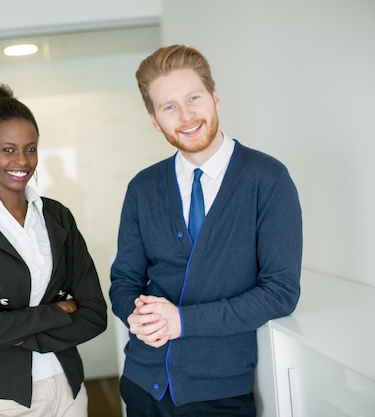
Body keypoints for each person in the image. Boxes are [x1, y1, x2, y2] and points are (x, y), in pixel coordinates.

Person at [109, 45, 302, 416]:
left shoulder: (267, 179)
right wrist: (134, 315)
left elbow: (280, 292)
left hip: (219, 391)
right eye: (169, 107)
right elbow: (123, 281)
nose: (186, 116)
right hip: (141, 384)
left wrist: (183, 321)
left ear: (214, 97)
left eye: (193, 98)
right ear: (154, 119)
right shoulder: (142, 188)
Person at [0, 83, 107, 417]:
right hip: (7, 397)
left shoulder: (58, 216)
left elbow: (94, 315)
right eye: (8, 149)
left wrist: (11, 328)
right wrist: (60, 310)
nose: (22, 161)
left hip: (69, 387)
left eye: (30, 149)